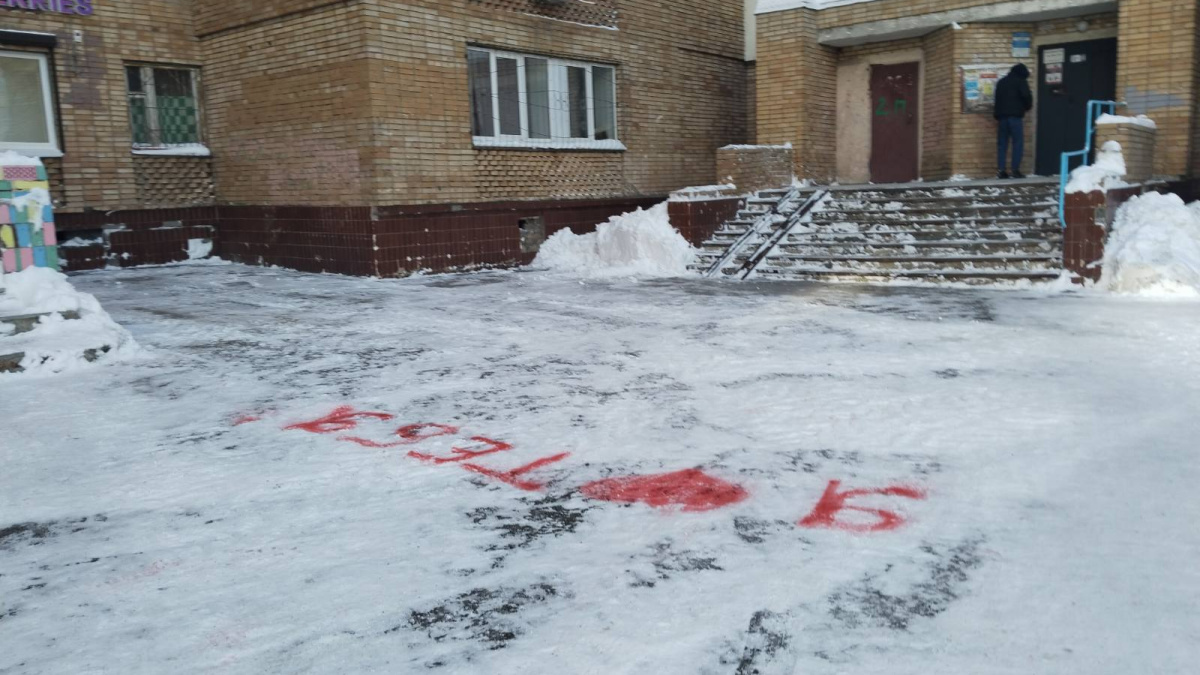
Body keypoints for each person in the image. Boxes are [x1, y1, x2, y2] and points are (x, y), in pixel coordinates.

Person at [993, 63, 1033, 179]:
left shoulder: (1001, 82)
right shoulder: (1020, 81)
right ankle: (1015, 170)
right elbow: (1026, 96)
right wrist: (1027, 107)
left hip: (1002, 118)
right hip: (1015, 117)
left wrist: (998, 115)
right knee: (1017, 143)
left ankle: (1001, 170)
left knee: (1002, 145)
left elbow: (997, 100)